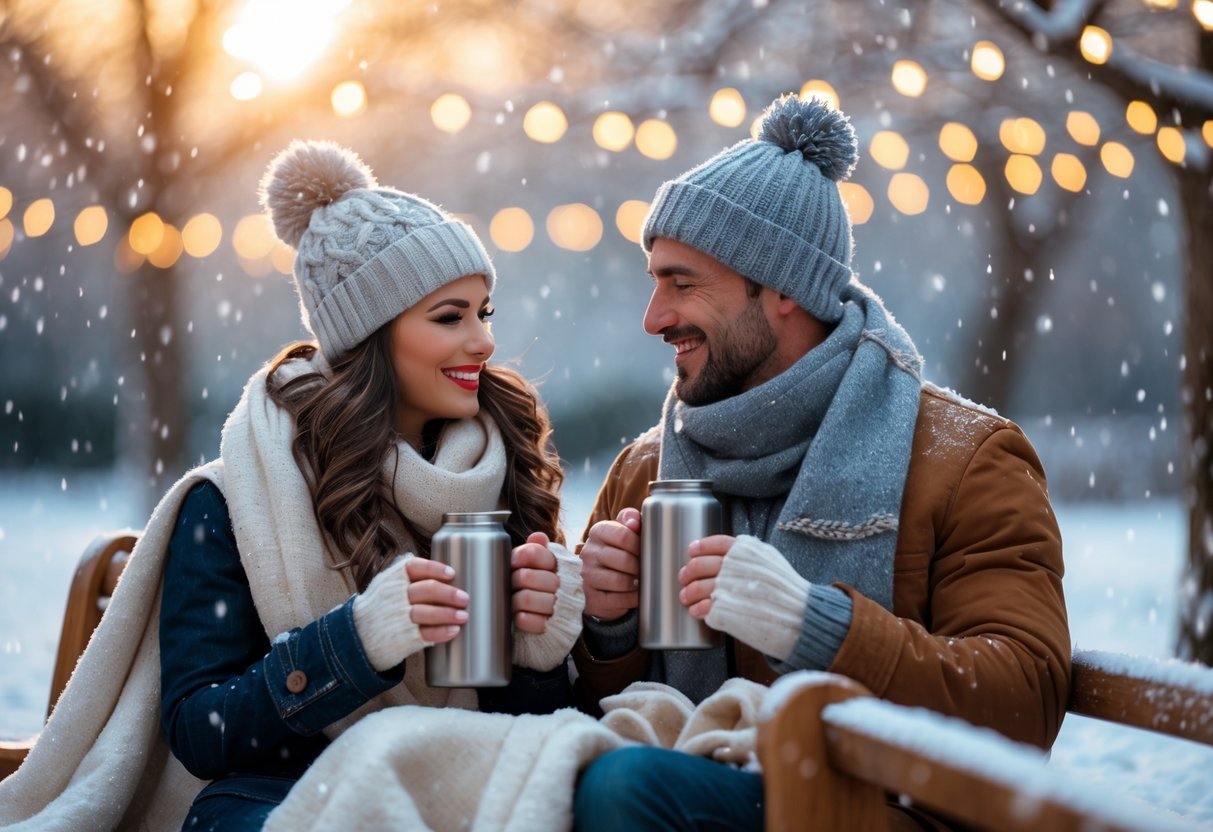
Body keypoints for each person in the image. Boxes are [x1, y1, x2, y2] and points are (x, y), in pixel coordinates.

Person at [0, 140, 584, 832]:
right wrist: (358, 642)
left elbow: (528, 739)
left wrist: (541, 654)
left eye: (483, 313)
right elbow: (204, 730)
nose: (484, 343)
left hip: (461, 790)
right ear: (372, 335)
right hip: (284, 804)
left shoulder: (500, 478)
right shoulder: (230, 505)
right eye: (449, 316)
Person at [570, 94, 1069, 832]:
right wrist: (605, 629)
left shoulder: (964, 459)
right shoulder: (646, 470)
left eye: (681, 282)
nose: (653, 317)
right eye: (653, 282)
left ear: (780, 290)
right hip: (708, 785)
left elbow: (1023, 702)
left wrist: (818, 625)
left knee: (628, 789)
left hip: (877, 810)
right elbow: (585, 714)